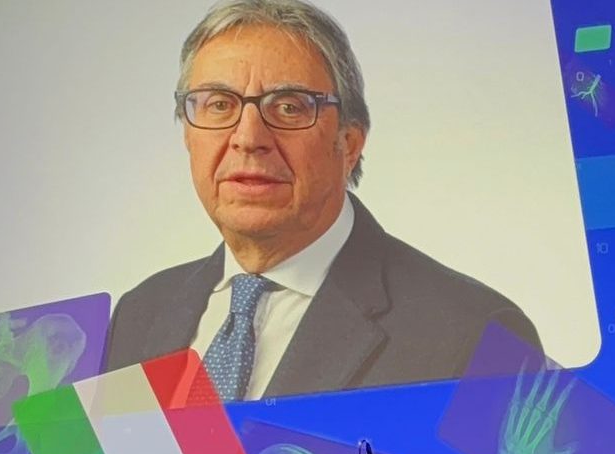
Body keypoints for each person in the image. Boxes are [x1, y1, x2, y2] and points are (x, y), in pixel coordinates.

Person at [104, 0, 540, 400]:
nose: (248, 138)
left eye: (289, 107)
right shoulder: (137, 316)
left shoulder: (478, 334)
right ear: (187, 135)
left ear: (349, 143)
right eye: (219, 105)